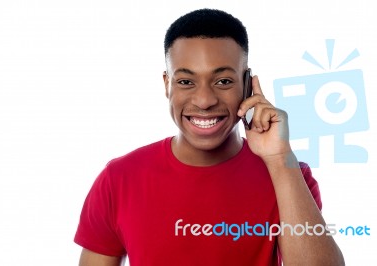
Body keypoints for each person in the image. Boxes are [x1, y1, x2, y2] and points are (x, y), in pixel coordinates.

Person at [74, 8, 345, 266]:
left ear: (248, 83)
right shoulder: (118, 179)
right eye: (186, 81)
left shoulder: (288, 175)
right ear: (167, 84)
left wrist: (278, 158)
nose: (204, 101)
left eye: (223, 81)